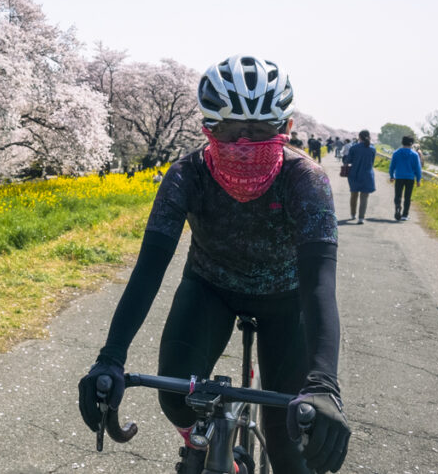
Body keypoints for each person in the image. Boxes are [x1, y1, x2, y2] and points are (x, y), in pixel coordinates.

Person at [77, 55, 349, 474]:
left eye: (259, 132)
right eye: (229, 131)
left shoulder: (306, 179)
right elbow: (149, 268)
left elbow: (318, 283)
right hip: (210, 289)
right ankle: (205, 448)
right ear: (207, 128)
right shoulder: (187, 174)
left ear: (286, 129)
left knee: (290, 446)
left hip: (286, 299)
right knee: (175, 397)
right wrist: (110, 357)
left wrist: (324, 385)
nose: (243, 144)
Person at [343, 130, 376, 224]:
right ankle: (361, 217)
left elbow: (348, 161)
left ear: (359, 137)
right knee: (364, 197)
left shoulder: (354, 148)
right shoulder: (372, 149)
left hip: (354, 174)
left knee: (354, 195)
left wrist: (345, 160)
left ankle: (353, 214)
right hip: (367, 175)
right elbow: (372, 163)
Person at [389, 135, 422, 221]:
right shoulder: (415, 155)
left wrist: (392, 176)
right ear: (411, 144)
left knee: (398, 195)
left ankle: (397, 206)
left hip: (399, 176)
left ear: (402, 142)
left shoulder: (396, 153)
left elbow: (392, 166)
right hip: (410, 178)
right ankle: (404, 215)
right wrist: (418, 179)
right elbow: (418, 168)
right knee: (408, 197)